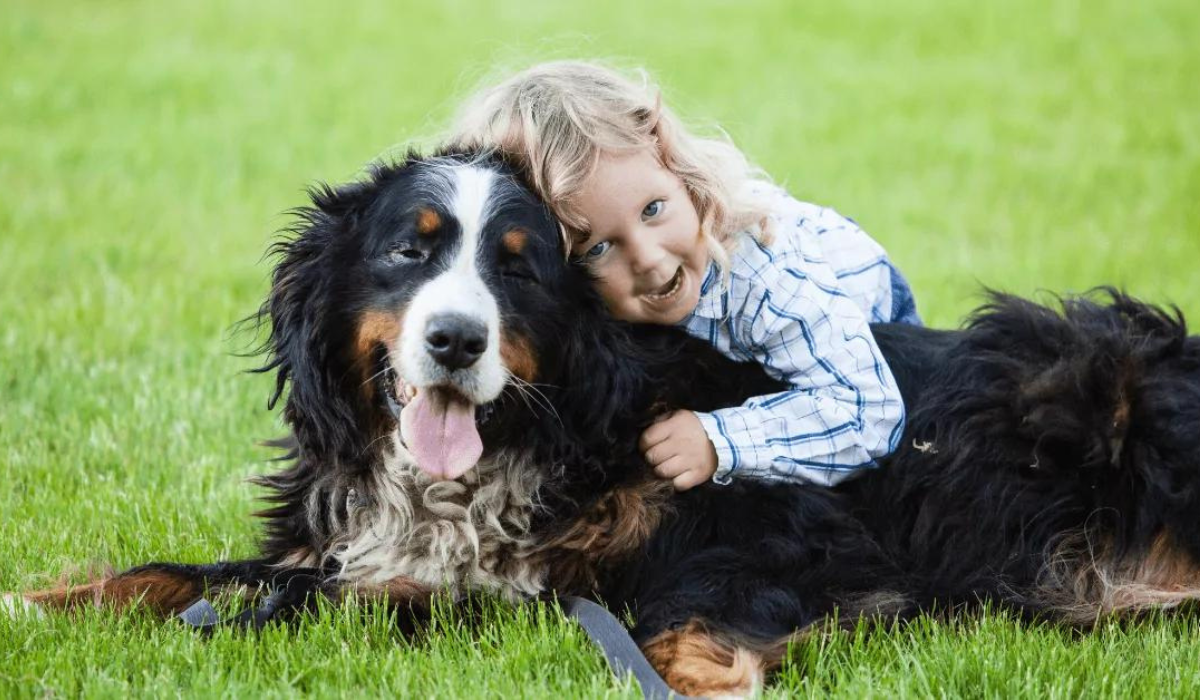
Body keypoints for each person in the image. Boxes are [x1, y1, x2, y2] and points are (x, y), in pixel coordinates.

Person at [448, 60, 921, 491]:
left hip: (874, 320)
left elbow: (868, 412)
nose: (650, 259)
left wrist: (721, 439)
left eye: (653, 209)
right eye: (601, 248)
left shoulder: (766, 279)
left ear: (674, 162)